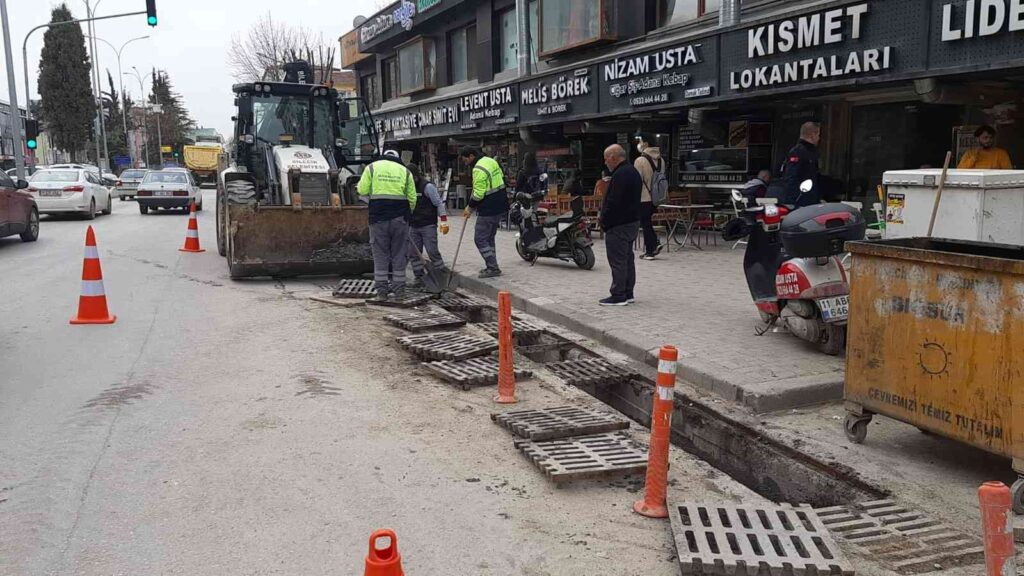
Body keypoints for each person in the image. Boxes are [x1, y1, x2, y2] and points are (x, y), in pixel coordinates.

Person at [357, 149, 416, 301]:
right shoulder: (405, 171)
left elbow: (361, 190)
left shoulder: (371, 167)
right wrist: (407, 215)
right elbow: (412, 198)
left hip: (378, 219)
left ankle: (382, 293)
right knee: (399, 255)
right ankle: (399, 293)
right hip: (400, 220)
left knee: (380, 255)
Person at [599, 144, 642, 306]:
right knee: (627, 258)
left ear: (614, 157)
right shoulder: (632, 171)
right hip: (631, 222)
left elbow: (613, 202)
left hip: (619, 224)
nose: (605, 162)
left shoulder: (621, 174)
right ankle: (628, 292)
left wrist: (605, 221)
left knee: (618, 260)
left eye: (606, 158)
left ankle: (618, 294)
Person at [461, 147, 509, 278]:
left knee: (480, 238)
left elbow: (478, 194)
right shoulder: (490, 161)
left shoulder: (478, 168)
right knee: (489, 238)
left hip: (488, 208)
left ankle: (493, 267)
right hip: (500, 205)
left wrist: (469, 208)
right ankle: (491, 265)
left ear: (471, 156)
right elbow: (502, 178)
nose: (465, 162)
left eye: (465, 159)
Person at [406, 163, 448, 287]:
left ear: (415, 176)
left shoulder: (427, 186)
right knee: (413, 253)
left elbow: (438, 203)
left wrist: (444, 220)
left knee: (432, 251)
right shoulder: (407, 187)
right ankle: (419, 277)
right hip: (413, 226)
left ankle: (440, 275)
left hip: (427, 225)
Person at [634, 133, 664, 260]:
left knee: (645, 223)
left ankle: (650, 250)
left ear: (645, 144)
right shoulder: (661, 160)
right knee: (647, 222)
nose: (639, 144)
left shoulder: (640, 160)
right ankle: (653, 245)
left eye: (640, 141)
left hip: (643, 197)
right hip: (656, 197)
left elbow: (636, 181)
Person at [782, 121, 821, 208]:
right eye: (818, 135)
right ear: (812, 135)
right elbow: (791, 177)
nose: (818, 138)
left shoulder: (812, 152)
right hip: (799, 201)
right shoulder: (797, 152)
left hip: (810, 200)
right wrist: (792, 203)